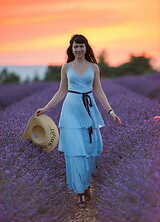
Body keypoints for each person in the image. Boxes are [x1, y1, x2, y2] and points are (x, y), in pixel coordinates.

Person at [35, 34, 123, 208]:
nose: (79, 49)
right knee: (75, 151)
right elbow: (61, 91)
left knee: (90, 150)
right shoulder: (66, 68)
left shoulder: (94, 67)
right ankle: (80, 192)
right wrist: (45, 108)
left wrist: (111, 111)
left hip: (89, 110)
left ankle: (86, 183)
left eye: (81, 46)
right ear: (71, 48)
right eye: (76, 47)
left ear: (86, 48)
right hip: (71, 111)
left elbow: (99, 91)